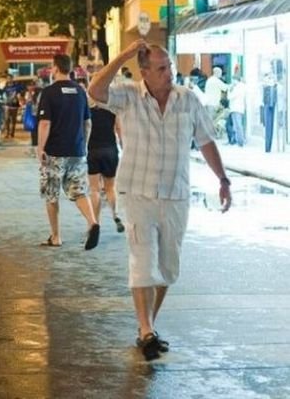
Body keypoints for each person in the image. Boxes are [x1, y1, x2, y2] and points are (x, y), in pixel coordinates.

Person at [88, 40, 232, 361]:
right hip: (137, 193)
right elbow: (96, 90)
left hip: (175, 195)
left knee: (167, 268)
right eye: (163, 68)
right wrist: (123, 55)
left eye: (170, 66)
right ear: (146, 72)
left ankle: (148, 325)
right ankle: (146, 331)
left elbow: (206, 141)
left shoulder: (188, 100)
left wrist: (222, 179)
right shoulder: (127, 95)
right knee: (142, 260)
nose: (171, 73)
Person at [36, 54, 100, 250]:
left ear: (55, 68)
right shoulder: (81, 92)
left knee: (52, 194)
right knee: (79, 191)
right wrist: (84, 145)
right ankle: (92, 222)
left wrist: (40, 148)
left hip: (55, 151)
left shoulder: (49, 92)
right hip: (77, 150)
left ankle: (56, 237)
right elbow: (87, 123)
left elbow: (45, 123)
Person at [86, 98, 124, 233]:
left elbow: (85, 130)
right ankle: (115, 215)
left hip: (93, 151)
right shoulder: (113, 111)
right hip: (110, 150)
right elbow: (119, 129)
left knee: (94, 189)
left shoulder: (88, 112)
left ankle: (95, 223)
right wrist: (122, 144)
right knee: (110, 188)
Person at [227, 75, 246, 147]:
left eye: (233, 80)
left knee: (237, 125)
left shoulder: (238, 87)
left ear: (236, 80)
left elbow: (230, 97)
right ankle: (239, 140)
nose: (232, 82)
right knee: (237, 125)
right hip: (238, 108)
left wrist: (230, 90)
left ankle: (240, 141)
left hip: (236, 108)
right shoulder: (242, 86)